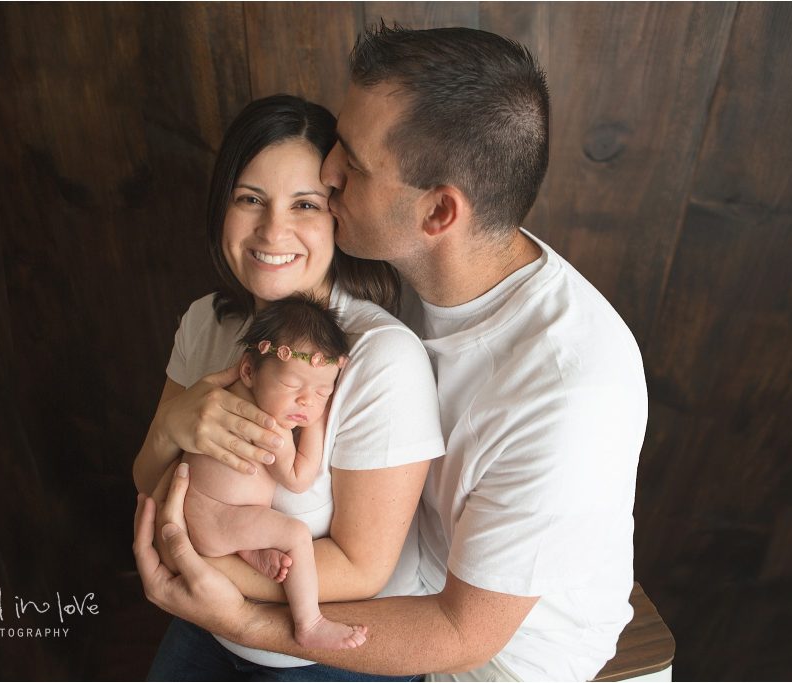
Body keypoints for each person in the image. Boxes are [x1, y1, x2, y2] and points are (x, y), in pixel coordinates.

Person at [135, 25, 648, 682]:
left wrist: (235, 610)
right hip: (384, 592)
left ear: (438, 214)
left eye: (351, 158)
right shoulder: (405, 269)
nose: (328, 170)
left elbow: (461, 632)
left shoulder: (570, 392)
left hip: (499, 662)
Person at [132, 94, 444, 680]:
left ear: (338, 216)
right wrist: (172, 428)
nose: (272, 229)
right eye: (250, 198)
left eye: (304, 204)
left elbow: (361, 567)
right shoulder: (207, 321)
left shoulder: (378, 359)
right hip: (204, 622)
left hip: (332, 653)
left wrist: (204, 575)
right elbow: (148, 482)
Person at [175, 296, 367, 651]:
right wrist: (319, 421)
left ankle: (251, 552)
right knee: (295, 534)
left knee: (268, 531)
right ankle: (309, 622)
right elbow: (297, 478)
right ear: (248, 371)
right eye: (294, 387)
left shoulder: (220, 397)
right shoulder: (270, 430)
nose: (307, 402)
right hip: (216, 518)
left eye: (323, 392)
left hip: (204, 513)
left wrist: (304, 398)